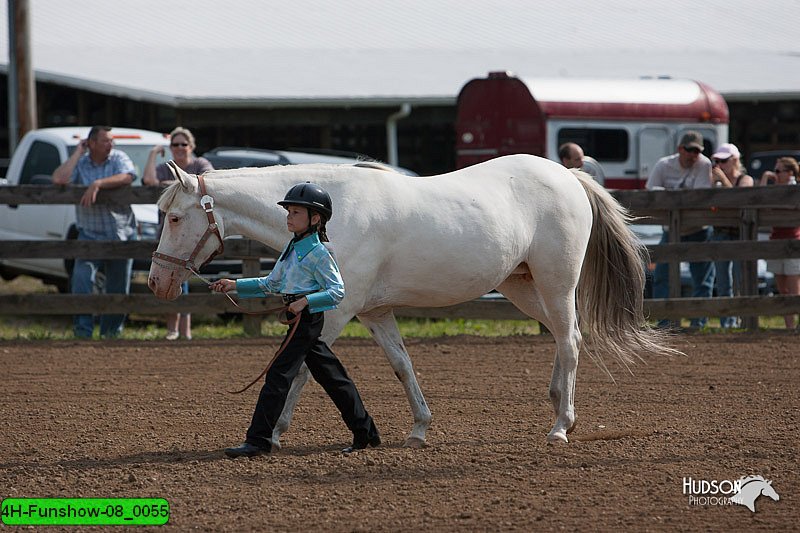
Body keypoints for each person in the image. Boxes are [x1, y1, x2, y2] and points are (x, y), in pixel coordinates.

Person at [209, 182, 380, 457]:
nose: (289, 216)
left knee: (278, 377)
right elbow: (272, 284)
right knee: (334, 378)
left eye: (296, 212)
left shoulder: (319, 253)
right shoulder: (293, 247)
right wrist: (234, 285)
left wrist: (305, 301)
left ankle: (259, 440)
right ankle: (366, 432)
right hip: (300, 318)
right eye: (289, 211)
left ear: (315, 218)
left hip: (305, 320)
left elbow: (337, 291)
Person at [51, 126, 137, 339]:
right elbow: (59, 179)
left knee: (117, 288)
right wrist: (78, 152)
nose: (111, 144)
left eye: (111, 140)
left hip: (121, 234)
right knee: (81, 279)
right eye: (106, 141)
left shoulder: (118, 157)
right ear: (91, 143)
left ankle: (111, 333)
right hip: (89, 234)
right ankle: (83, 331)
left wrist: (98, 184)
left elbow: (128, 176)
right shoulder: (80, 163)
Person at [143, 127, 213, 340]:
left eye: (184, 144)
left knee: (183, 278)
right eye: (175, 145)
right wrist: (154, 153)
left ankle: (185, 329)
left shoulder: (199, 164)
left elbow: (209, 180)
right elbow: (148, 180)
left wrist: (170, 186)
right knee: (168, 278)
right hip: (170, 232)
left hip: (192, 233)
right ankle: (173, 329)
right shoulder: (166, 167)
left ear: (191, 146)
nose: (180, 148)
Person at [646, 131, 715, 328]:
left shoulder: (704, 164)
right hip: (671, 230)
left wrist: (670, 197)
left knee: (702, 279)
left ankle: (698, 323)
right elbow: (651, 190)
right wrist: (678, 198)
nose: (694, 154)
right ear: (680, 149)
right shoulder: (663, 164)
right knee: (662, 276)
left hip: (698, 229)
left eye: (697, 151)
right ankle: (665, 321)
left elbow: (699, 196)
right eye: (690, 149)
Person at [710, 143, 754, 328]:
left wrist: (723, 181)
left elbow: (738, 199)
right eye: (717, 161)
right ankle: (726, 322)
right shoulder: (716, 181)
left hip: (739, 235)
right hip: (720, 233)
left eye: (723, 161)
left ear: (735, 161)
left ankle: (742, 320)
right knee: (723, 283)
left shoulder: (745, 179)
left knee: (741, 280)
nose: (719, 164)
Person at [765, 157, 800, 329]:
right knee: (782, 290)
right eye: (775, 170)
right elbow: (759, 201)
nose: (775, 174)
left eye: (779, 171)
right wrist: (765, 179)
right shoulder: (773, 190)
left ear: (790, 173)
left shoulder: (794, 190)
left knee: (794, 290)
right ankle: (789, 327)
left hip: (793, 242)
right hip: (776, 241)